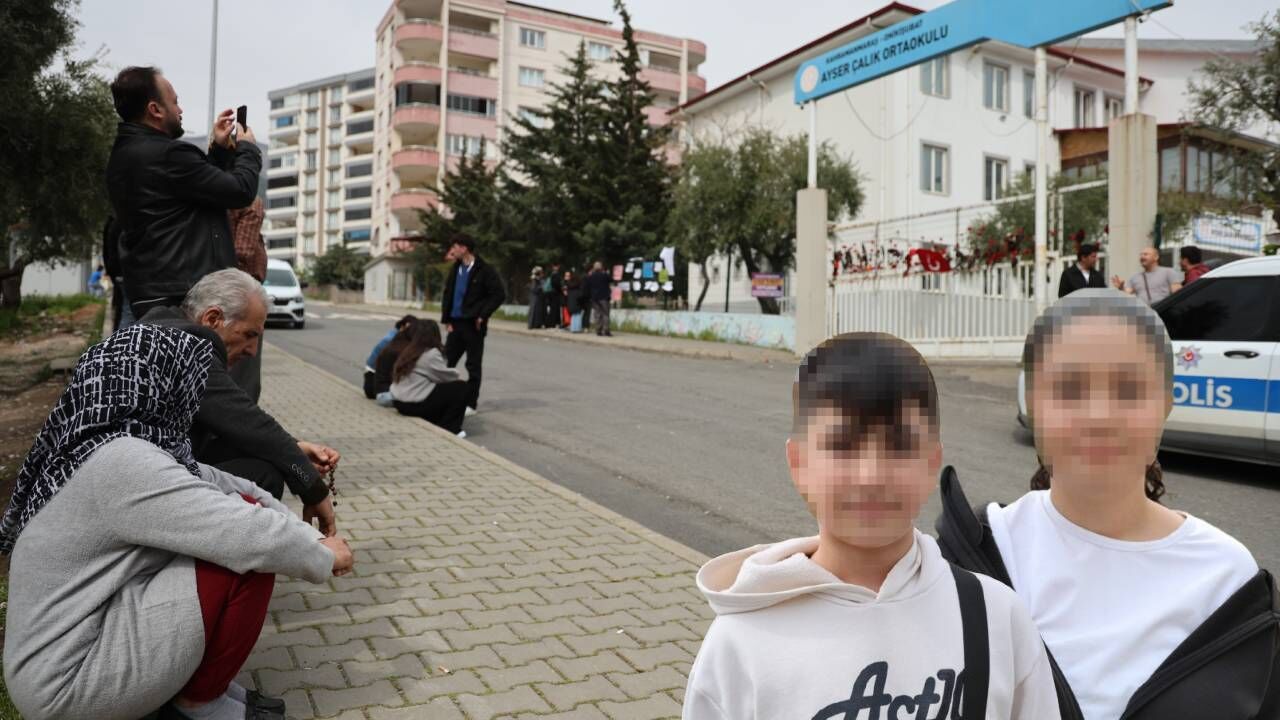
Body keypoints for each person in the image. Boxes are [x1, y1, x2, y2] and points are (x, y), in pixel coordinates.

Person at [936, 289, 1278, 719]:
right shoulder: (976, 554)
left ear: (1167, 404)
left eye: (1129, 390)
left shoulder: (1229, 581)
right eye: (1069, 389)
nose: (1098, 416)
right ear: (1033, 403)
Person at [683, 333, 1060, 720]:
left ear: (932, 463)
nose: (871, 476)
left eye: (900, 445)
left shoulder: (996, 619)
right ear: (799, 464)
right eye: (841, 445)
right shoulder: (740, 642)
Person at [0, 324, 354, 720]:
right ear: (161, 384)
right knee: (245, 556)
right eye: (190, 382)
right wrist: (323, 556)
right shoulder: (121, 463)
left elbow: (234, 486)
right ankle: (200, 705)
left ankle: (198, 688)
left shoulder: (103, 446)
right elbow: (243, 533)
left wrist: (307, 537)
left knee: (243, 514)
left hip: (72, 652)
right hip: (68, 685)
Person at [140, 270, 339, 533]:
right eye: (249, 334)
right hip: (137, 496)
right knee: (263, 475)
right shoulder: (185, 349)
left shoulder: (158, 329)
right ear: (213, 319)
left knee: (258, 455)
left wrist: (295, 449)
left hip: (129, 477)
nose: (253, 351)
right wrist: (314, 490)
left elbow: (237, 428)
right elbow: (248, 422)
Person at [106, 66, 261, 321]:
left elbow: (197, 190)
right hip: (183, 296)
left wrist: (219, 151)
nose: (180, 110)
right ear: (155, 110)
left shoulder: (124, 154)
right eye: (175, 102)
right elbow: (240, 190)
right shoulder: (168, 154)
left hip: (151, 291)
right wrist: (247, 149)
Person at [439, 234, 505, 412]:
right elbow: (448, 294)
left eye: (455, 247)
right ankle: (440, 399)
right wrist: (446, 319)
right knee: (445, 362)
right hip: (455, 324)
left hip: (473, 325)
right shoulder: (456, 269)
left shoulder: (485, 270)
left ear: (464, 248)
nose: (452, 251)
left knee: (473, 366)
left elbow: (498, 294)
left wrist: (483, 315)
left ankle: (470, 404)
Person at [390, 320, 470, 436]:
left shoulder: (410, 349)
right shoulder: (431, 353)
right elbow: (445, 376)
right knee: (461, 388)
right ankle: (450, 429)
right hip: (412, 404)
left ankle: (437, 420)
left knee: (439, 390)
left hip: (399, 402)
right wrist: (458, 375)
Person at [364, 315, 417, 399]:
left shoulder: (394, 334)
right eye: (410, 329)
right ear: (402, 327)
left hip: (375, 378)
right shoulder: (392, 340)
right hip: (374, 381)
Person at [1111, 247, 1181, 304]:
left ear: (1156, 257)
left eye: (1146, 254)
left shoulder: (1168, 272)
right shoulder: (1135, 277)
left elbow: (1178, 294)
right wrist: (1121, 288)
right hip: (1143, 314)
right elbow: (1127, 293)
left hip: (1163, 312)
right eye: (1141, 255)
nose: (1142, 257)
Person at [586, 261, 612, 337]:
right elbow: (611, 280)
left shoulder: (591, 276)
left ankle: (598, 330)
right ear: (601, 267)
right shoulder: (604, 275)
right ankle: (606, 330)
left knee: (597, 314)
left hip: (595, 298)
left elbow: (588, 285)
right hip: (604, 297)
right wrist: (606, 273)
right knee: (605, 314)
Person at [545, 262, 564, 329]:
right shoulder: (556, 275)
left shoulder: (551, 275)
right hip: (555, 294)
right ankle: (554, 323)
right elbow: (557, 284)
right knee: (555, 309)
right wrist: (561, 289)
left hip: (551, 294)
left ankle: (552, 323)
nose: (557, 267)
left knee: (553, 309)